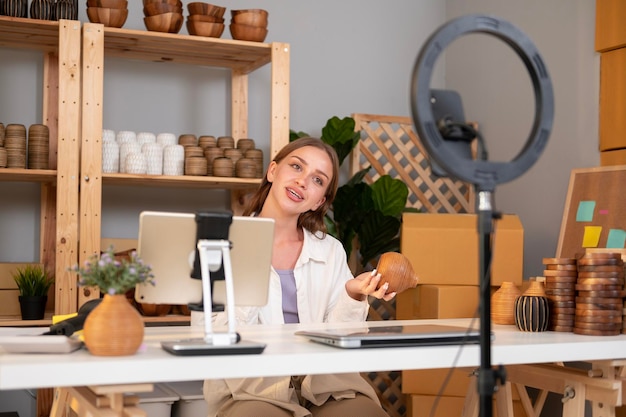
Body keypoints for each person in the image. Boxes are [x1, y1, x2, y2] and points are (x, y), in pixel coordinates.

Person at [203, 137, 395, 417]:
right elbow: (210, 334)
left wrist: (352, 293)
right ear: (272, 171)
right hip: (250, 389)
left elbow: (341, 342)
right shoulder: (221, 243)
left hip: (325, 388)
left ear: (320, 202)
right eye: (296, 167)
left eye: (318, 180)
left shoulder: (331, 251)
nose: (303, 181)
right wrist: (250, 258)